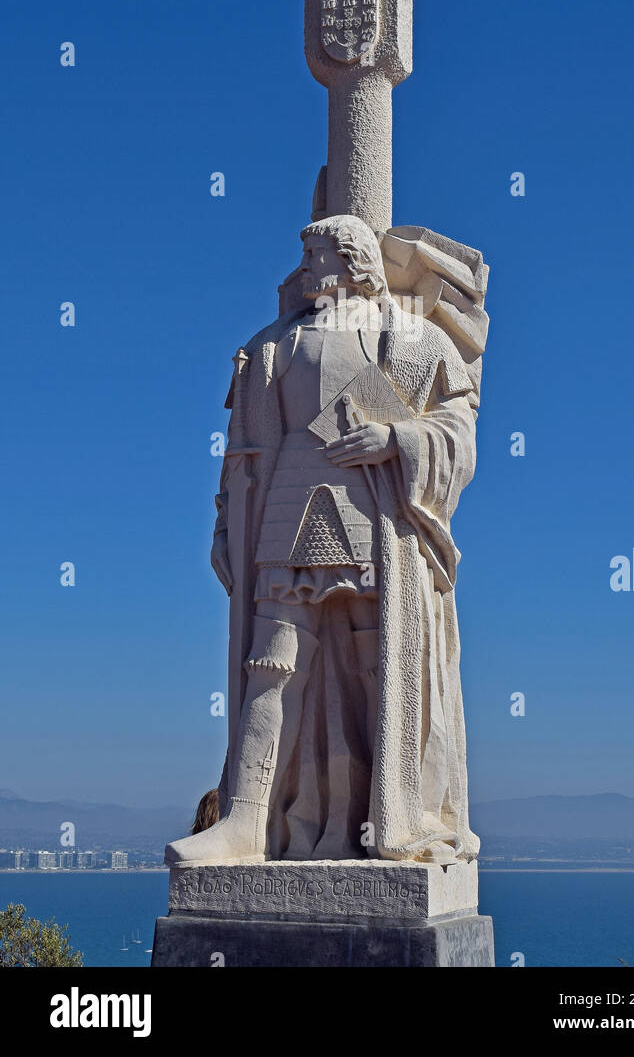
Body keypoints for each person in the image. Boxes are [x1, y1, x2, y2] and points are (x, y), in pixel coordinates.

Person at [166, 214, 480, 867]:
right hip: (284, 512)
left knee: (381, 663)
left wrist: (399, 439)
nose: (307, 271)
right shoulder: (272, 347)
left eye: (319, 258)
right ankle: (248, 819)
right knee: (271, 664)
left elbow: (457, 424)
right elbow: (243, 455)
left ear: (357, 262)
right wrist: (227, 525)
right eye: (305, 258)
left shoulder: (411, 341)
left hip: (375, 516)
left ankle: (389, 811)